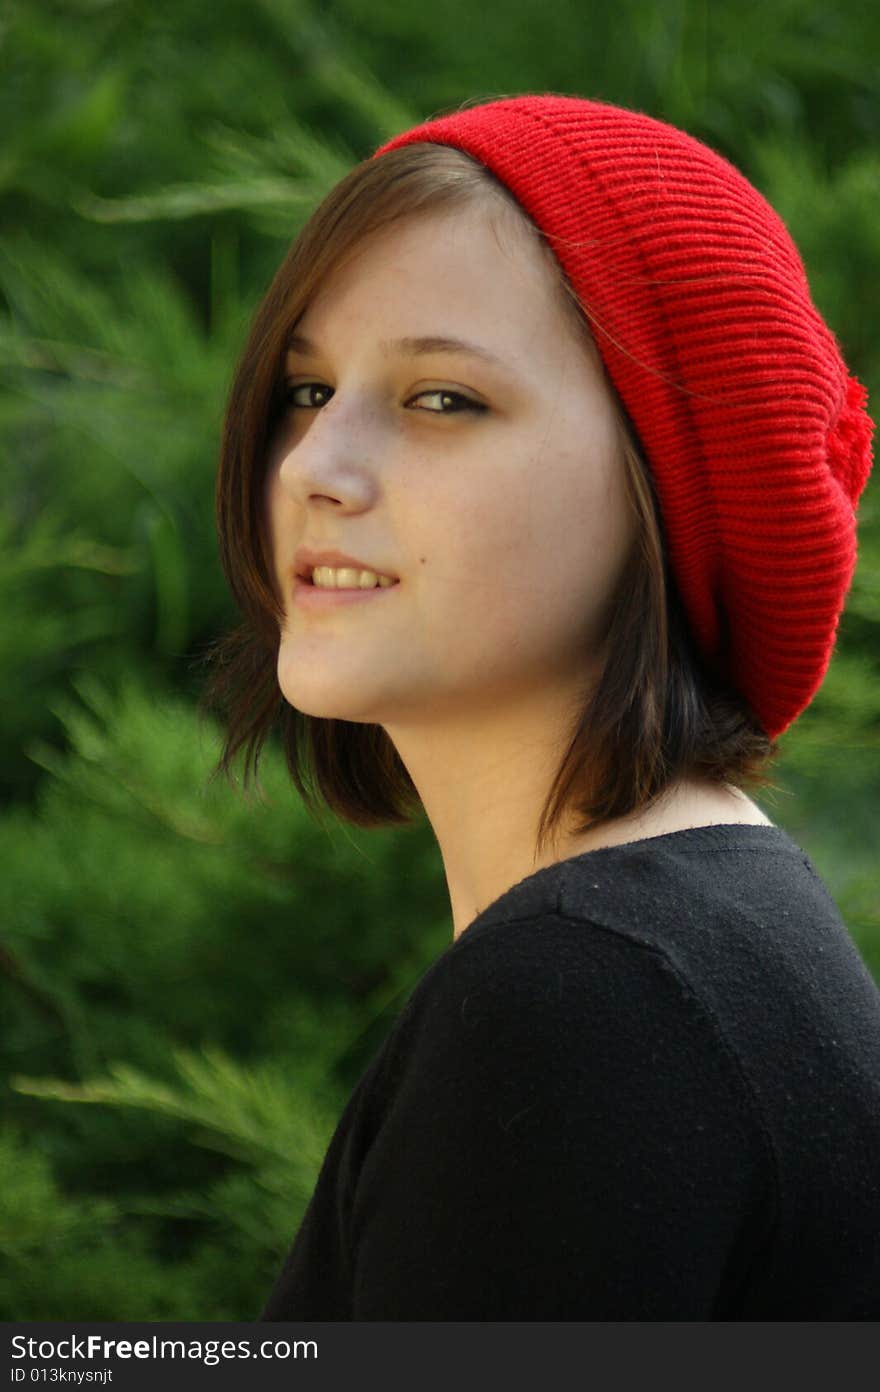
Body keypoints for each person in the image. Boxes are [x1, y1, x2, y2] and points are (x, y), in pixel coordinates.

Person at [208, 95, 880, 1318]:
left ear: (666, 487)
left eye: (441, 400)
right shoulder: (690, 948)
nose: (311, 467)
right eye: (306, 391)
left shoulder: (592, 1009)